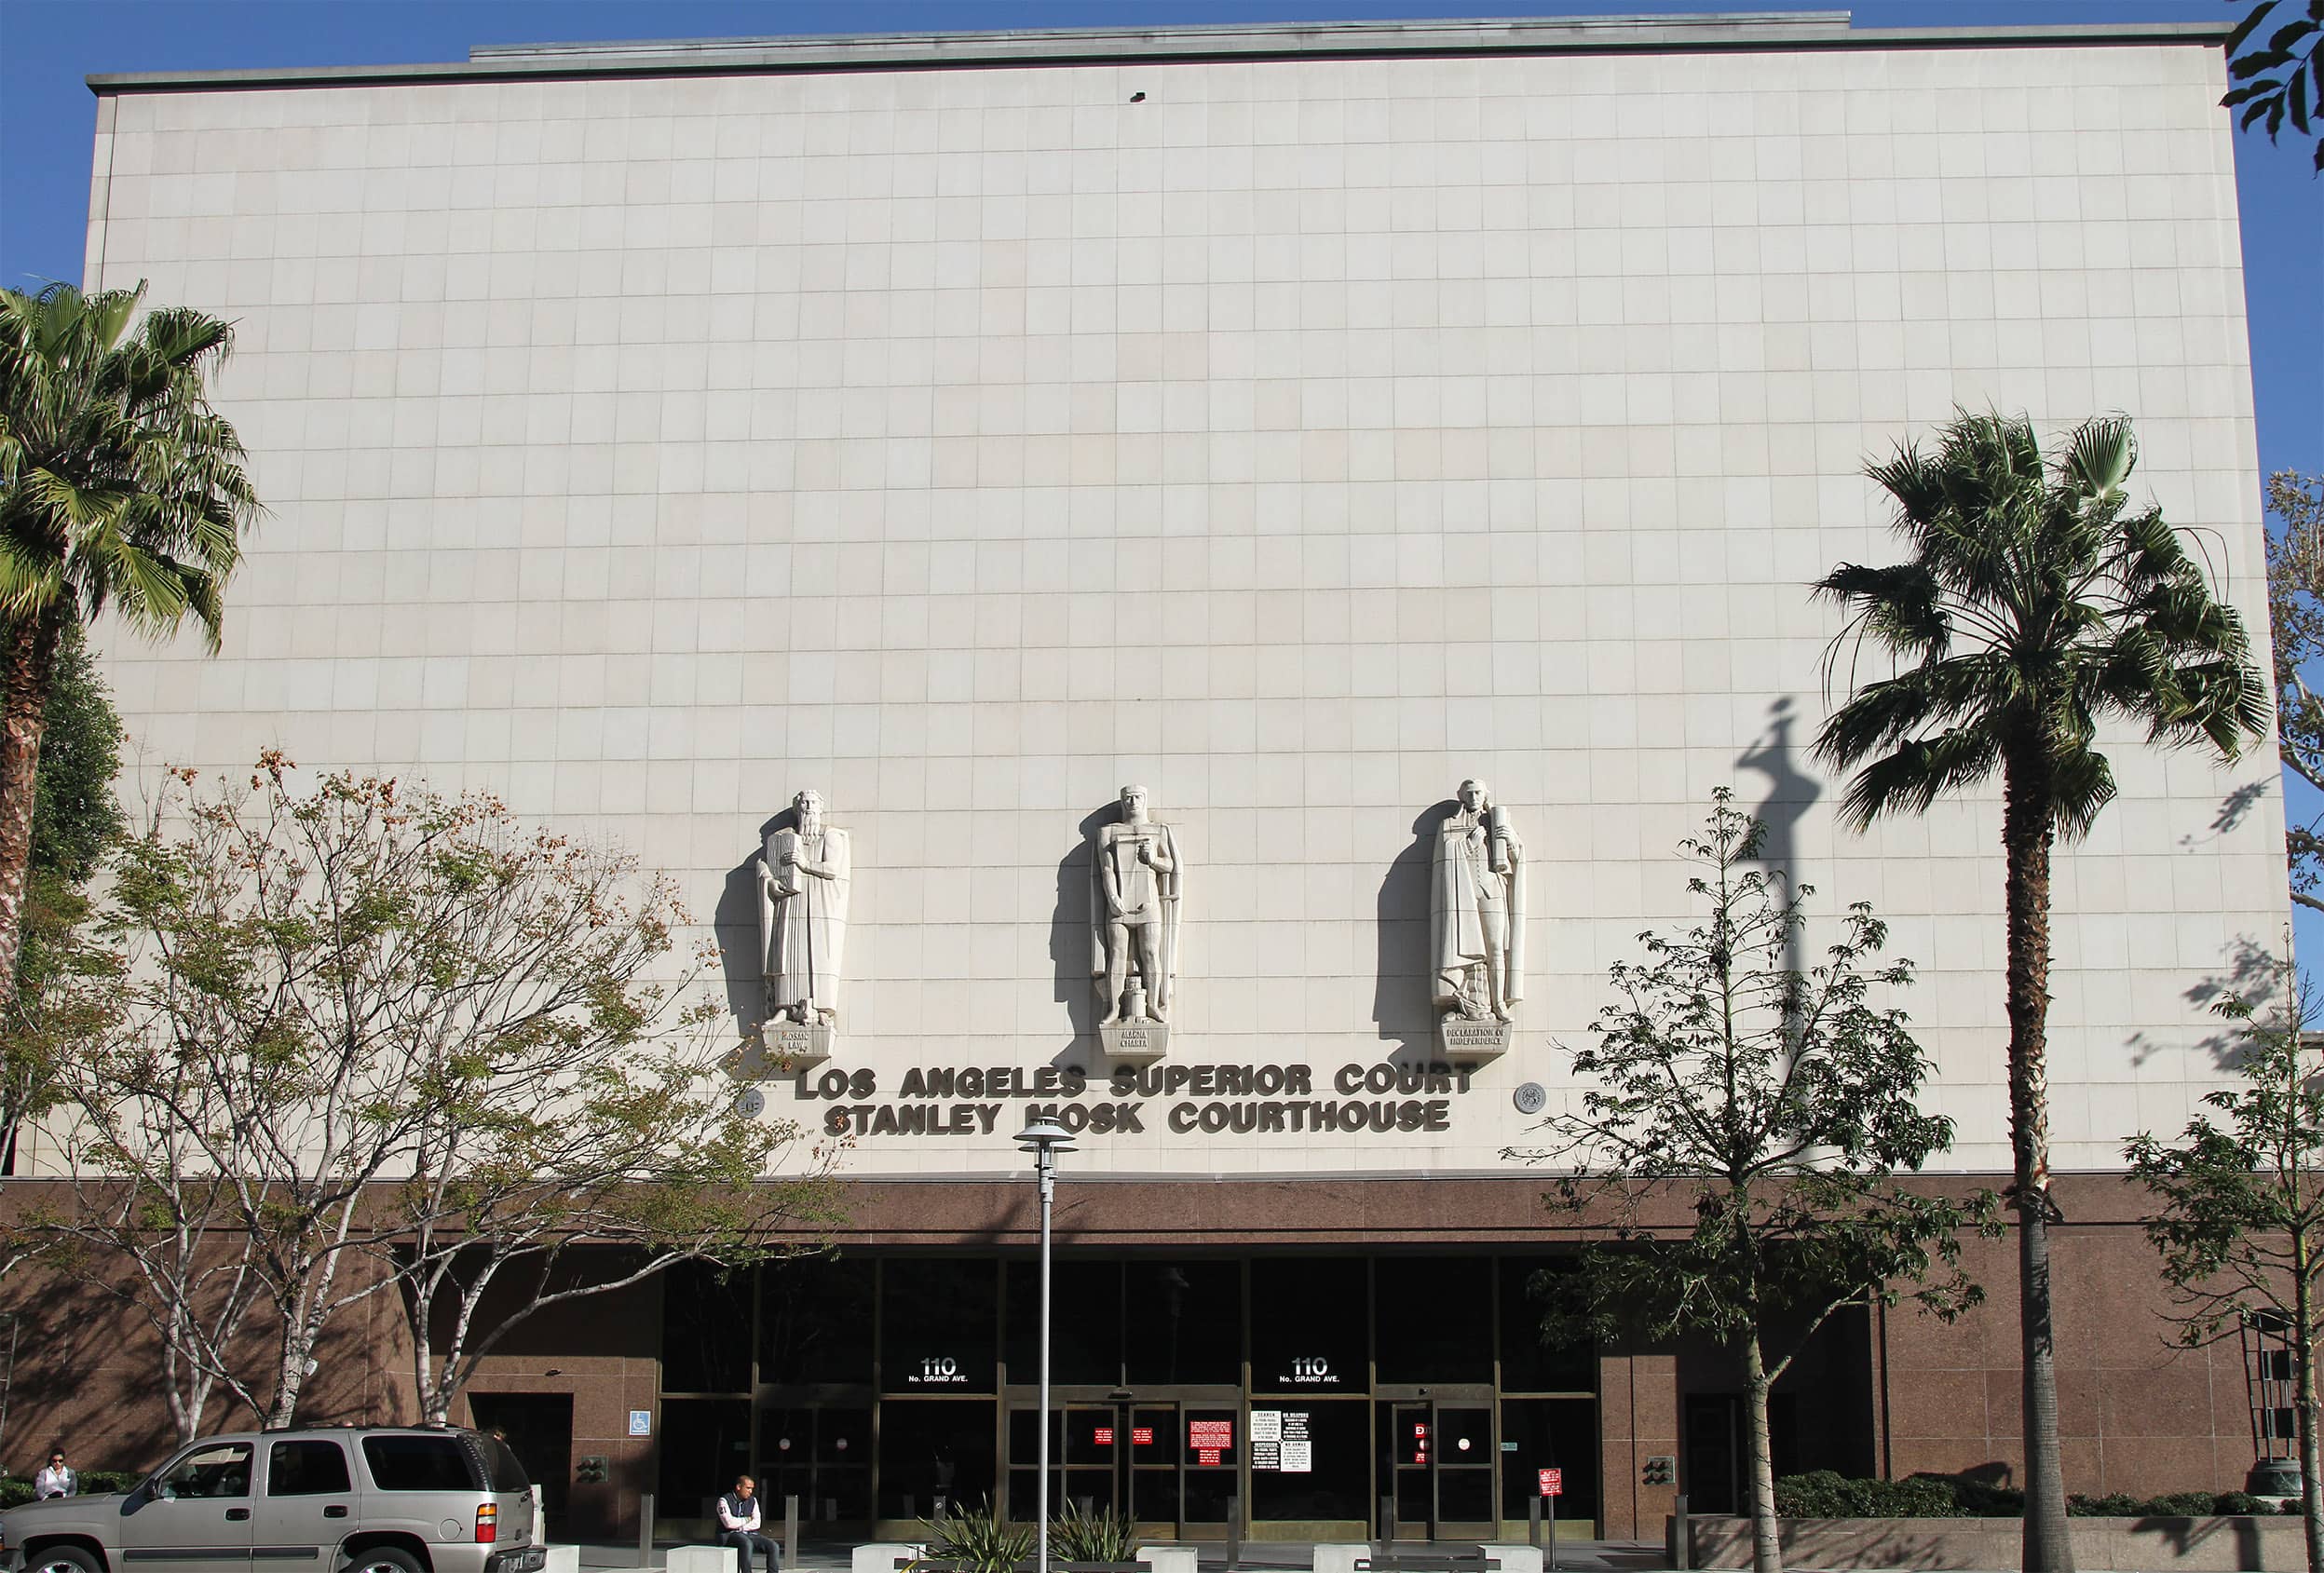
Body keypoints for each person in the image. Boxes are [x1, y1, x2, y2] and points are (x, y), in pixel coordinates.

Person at [716, 1474, 781, 1573]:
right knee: (746, 1543)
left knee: (773, 1546)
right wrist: (747, 1519)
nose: (750, 1491)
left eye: (752, 1489)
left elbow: (757, 1523)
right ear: (738, 1487)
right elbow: (729, 1523)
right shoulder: (724, 1501)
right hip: (729, 1535)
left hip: (749, 1533)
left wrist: (740, 1527)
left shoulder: (753, 1501)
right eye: (748, 1488)